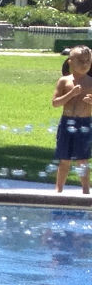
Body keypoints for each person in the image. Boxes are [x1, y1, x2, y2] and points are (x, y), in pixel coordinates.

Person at [54, 46, 92, 195]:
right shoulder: (64, 81)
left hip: (85, 123)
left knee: (83, 160)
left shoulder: (91, 82)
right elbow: (55, 103)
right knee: (64, 159)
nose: (85, 64)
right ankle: (58, 190)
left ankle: (86, 191)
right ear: (70, 61)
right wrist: (71, 94)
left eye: (88, 60)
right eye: (80, 61)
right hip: (66, 122)